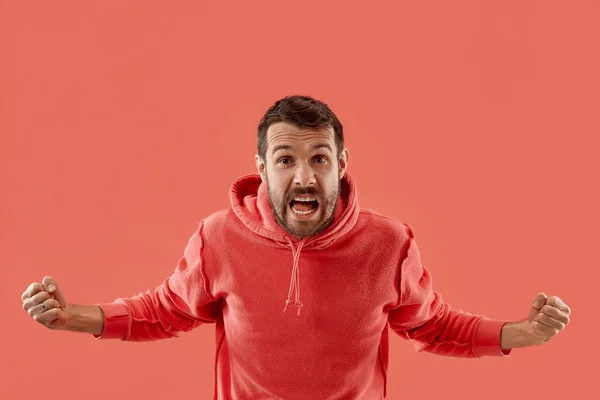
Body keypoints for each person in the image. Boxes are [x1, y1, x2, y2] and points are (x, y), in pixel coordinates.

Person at [21, 95, 571, 399]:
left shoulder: (390, 243)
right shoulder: (218, 237)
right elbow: (163, 310)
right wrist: (74, 318)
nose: (303, 176)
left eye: (319, 158)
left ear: (342, 164)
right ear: (261, 169)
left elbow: (432, 326)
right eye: (285, 159)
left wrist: (519, 334)